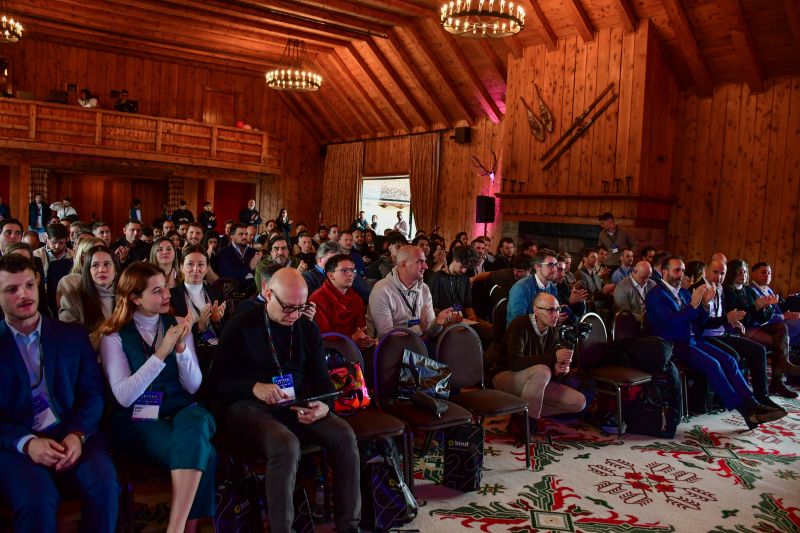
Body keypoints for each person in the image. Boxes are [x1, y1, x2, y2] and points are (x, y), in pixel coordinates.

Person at [212, 268, 361, 533]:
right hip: (249, 406)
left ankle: (349, 525)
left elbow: (322, 380)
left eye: (301, 307)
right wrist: (254, 387)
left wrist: (324, 405)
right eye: (288, 307)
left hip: (295, 403)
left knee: (344, 435)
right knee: (285, 444)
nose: (294, 315)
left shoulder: (305, 327)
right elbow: (217, 383)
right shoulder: (241, 325)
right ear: (268, 293)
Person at [0, 254, 120, 532]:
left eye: (29, 285)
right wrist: (26, 443)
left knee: (104, 486)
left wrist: (78, 434)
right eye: (12, 289)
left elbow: (93, 394)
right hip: (17, 444)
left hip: (73, 432)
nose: (24, 295)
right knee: (38, 501)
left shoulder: (71, 335)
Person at [97, 262, 216, 531]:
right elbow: (124, 396)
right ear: (135, 298)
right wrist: (162, 352)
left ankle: (176, 527)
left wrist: (182, 348)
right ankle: (185, 529)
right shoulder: (113, 336)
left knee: (198, 420)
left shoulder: (177, 323)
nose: (166, 295)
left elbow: (193, 386)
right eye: (157, 291)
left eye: (166, 287)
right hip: (140, 417)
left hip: (180, 408)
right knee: (205, 454)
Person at [645, 256, 786, 429]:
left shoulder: (683, 292)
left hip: (694, 339)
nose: (681, 274)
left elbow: (700, 322)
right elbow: (671, 323)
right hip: (673, 344)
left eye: (682, 270)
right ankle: (746, 411)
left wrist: (704, 304)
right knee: (713, 365)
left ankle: (753, 403)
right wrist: (693, 305)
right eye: (677, 270)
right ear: (664, 272)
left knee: (729, 360)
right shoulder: (655, 295)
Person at [691, 260, 783, 411]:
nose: (719, 277)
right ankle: (738, 400)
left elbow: (725, 316)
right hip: (705, 336)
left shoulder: (720, 288)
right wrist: (727, 319)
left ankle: (762, 396)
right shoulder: (697, 289)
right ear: (706, 271)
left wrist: (732, 321)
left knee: (758, 350)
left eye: (722, 273)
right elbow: (699, 324)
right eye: (715, 272)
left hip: (722, 332)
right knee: (733, 355)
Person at [493, 292, 586, 430]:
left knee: (578, 402)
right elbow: (515, 363)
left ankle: (521, 413)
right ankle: (527, 422)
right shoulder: (520, 324)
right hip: (505, 376)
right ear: (536, 310)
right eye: (550, 310)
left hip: (536, 381)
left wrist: (558, 369)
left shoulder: (553, 330)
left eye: (558, 309)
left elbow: (550, 369)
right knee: (542, 371)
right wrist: (554, 357)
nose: (556, 314)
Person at [723, 259, 799, 398]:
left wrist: (767, 306)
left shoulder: (748, 290)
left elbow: (763, 317)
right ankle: (777, 381)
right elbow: (742, 319)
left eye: (744, 271)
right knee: (777, 343)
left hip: (754, 325)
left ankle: (779, 378)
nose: (743, 274)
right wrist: (756, 307)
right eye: (739, 272)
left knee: (781, 327)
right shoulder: (728, 291)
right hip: (740, 329)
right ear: (732, 273)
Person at [367, 245, 456, 339]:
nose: (426, 266)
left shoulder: (424, 288)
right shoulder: (382, 290)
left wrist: (437, 323)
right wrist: (419, 328)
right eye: (420, 262)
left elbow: (428, 333)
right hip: (387, 347)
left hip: (417, 344)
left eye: (424, 261)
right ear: (404, 265)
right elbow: (386, 336)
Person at [427, 246, 493, 343]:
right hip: (445, 320)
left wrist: (472, 316)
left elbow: (468, 305)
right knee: (466, 337)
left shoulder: (465, 278)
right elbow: (433, 308)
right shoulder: (437, 278)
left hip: (463, 319)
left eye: (466, 268)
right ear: (455, 258)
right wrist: (448, 317)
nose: (463, 270)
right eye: (462, 266)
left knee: (493, 331)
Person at [309, 253, 376, 348]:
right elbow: (322, 335)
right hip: (328, 350)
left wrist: (364, 339)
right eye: (344, 270)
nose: (350, 274)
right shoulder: (317, 299)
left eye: (352, 270)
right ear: (330, 275)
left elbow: (361, 329)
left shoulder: (356, 298)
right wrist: (350, 339)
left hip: (354, 349)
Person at [59, 245, 119, 347]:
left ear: (116, 270)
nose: (102, 270)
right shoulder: (71, 301)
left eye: (107, 264)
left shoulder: (125, 297)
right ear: (88, 271)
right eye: (95, 265)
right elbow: (72, 343)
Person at [170, 245, 227, 352]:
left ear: (207, 268)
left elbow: (226, 331)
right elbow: (170, 333)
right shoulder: (171, 296)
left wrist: (216, 321)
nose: (196, 269)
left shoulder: (217, 294)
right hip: (187, 352)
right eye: (190, 264)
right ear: (181, 267)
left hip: (215, 351)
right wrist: (198, 327)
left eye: (201, 264)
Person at [507, 249, 561, 323]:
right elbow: (517, 321)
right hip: (523, 329)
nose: (555, 269)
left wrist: (558, 314)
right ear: (537, 267)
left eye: (556, 265)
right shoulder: (521, 288)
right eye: (550, 265)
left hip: (544, 328)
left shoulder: (552, 287)